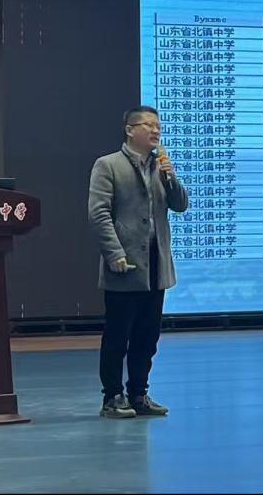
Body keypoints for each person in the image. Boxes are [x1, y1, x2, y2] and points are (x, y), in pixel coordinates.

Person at [87, 106, 188, 418]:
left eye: (158, 126)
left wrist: (170, 177)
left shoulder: (160, 166)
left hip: (156, 265)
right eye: (148, 125)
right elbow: (99, 213)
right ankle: (112, 397)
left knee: (147, 336)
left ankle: (139, 393)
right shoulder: (108, 165)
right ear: (130, 130)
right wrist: (114, 252)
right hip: (126, 264)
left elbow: (181, 205)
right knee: (118, 336)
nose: (155, 131)